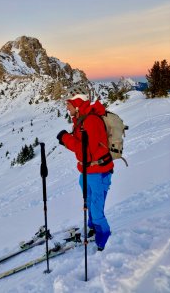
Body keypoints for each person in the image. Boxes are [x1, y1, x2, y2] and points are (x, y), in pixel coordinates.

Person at [56, 88, 114, 251]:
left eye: (69, 104)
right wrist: (68, 139)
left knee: (96, 209)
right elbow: (81, 147)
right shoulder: (80, 120)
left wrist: (65, 138)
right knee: (88, 202)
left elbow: (85, 153)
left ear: (77, 105)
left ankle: (104, 237)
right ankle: (93, 228)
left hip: (99, 172)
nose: (67, 108)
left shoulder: (91, 121)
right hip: (87, 171)